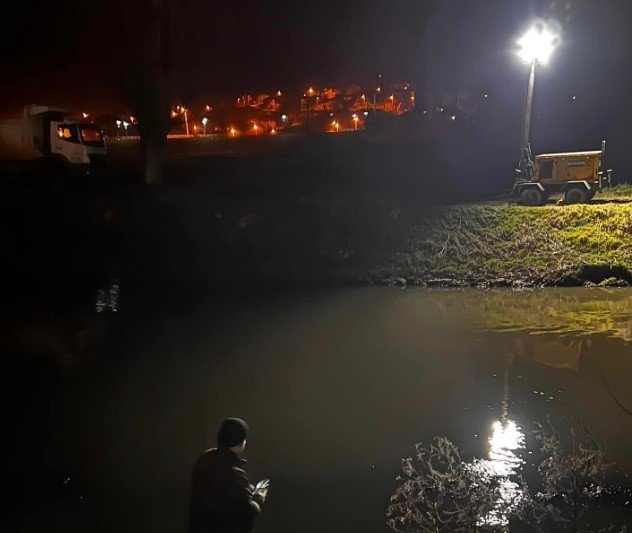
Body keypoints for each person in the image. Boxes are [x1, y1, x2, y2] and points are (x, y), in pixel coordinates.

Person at [188, 418, 268, 533]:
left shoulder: (204, 460)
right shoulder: (234, 473)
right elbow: (249, 510)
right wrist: (260, 495)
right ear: (241, 442)